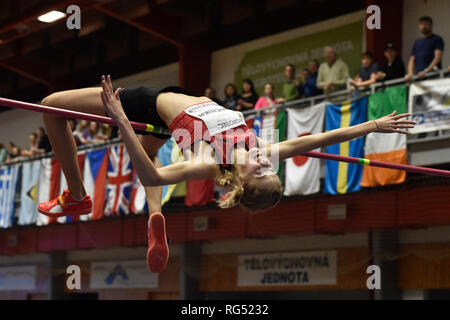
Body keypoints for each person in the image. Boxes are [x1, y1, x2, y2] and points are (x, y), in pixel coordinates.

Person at [37, 75, 416, 273]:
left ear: (241, 179)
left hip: (150, 103)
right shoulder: (262, 149)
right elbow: (321, 137)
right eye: (271, 169)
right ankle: (157, 216)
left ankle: (76, 194)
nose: (266, 162)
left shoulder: (210, 161)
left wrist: (121, 120)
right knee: (152, 150)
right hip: (176, 106)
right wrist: (372, 126)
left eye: (261, 172)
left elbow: (152, 177)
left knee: (51, 106)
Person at [405, 16, 444, 80]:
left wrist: (426, 71)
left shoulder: (437, 39)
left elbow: (437, 57)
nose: (423, 26)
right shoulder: (417, 42)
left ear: (431, 26)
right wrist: (410, 74)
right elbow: (412, 60)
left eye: (426, 24)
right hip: (418, 76)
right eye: (421, 24)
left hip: (432, 76)